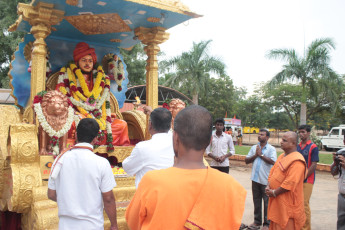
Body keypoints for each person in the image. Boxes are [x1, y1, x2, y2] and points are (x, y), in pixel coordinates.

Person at [125, 105, 247, 229]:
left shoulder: (152, 182)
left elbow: (133, 222)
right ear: (210, 140)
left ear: (175, 138)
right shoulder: (232, 187)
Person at [56, 42, 130, 150]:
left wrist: (104, 115)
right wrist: (76, 112)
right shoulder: (68, 76)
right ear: (77, 62)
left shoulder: (101, 78)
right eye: (84, 60)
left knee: (122, 125)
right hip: (77, 115)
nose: (88, 63)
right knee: (73, 123)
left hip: (99, 116)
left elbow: (103, 102)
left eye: (90, 61)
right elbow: (60, 99)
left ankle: (122, 151)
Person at [47, 118, 118, 229]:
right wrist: (114, 225)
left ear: (75, 136)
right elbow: (108, 199)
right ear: (95, 139)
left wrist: (70, 201)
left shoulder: (60, 160)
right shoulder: (101, 163)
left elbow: (51, 194)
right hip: (92, 225)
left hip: (66, 225)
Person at [122, 107, 174, 188]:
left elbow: (127, 168)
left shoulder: (143, 148)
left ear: (150, 125)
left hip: (149, 197)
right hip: (170, 194)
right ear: (170, 124)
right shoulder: (177, 143)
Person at [265, 131, 307, 230]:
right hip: (277, 203)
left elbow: (290, 183)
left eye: (284, 140)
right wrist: (268, 185)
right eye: (282, 140)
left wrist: (275, 192)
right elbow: (272, 173)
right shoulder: (281, 156)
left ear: (293, 143)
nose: (281, 142)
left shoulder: (297, 161)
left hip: (288, 205)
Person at [245, 129, 277, 230]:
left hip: (265, 180)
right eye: (259, 134)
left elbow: (273, 162)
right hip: (255, 179)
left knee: (267, 203)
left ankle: (267, 224)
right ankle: (257, 221)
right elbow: (246, 161)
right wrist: (256, 154)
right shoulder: (254, 147)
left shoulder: (271, 149)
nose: (259, 136)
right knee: (256, 201)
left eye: (262, 134)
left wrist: (261, 155)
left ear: (267, 137)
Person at [297, 125, 319, 230]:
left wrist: (304, 176)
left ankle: (306, 228)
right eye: (300, 132)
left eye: (303, 132)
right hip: (297, 179)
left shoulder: (313, 147)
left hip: (307, 180)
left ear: (309, 133)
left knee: (304, 204)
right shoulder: (298, 146)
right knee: (298, 204)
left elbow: (313, 165)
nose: (301, 134)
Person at [330, 137, 345, 230]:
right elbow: (333, 172)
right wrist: (336, 163)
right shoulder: (341, 152)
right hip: (342, 195)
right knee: (341, 223)